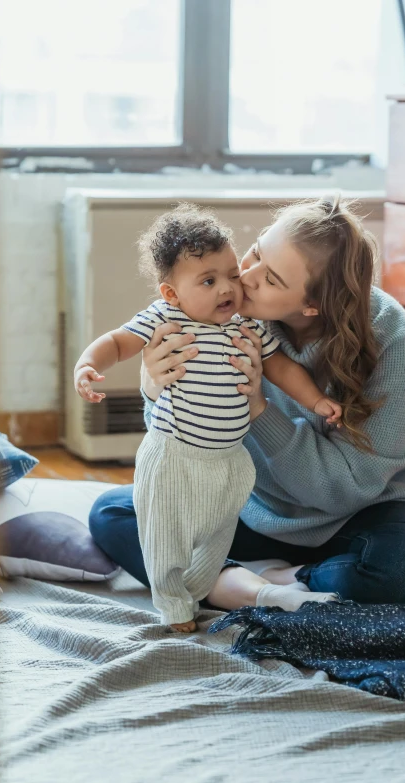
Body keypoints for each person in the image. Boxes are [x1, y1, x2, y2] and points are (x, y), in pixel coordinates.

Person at [89, 196, 405, 621]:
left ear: (311, 306)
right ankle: (264, 589)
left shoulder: (389, 335)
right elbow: (183, 447)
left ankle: (245, 583)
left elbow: (344, 490)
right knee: (112, 513)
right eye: (255, 253)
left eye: (269, 279)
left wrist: (259, 410)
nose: (241, 279)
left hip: (372, 511)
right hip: (255, 508)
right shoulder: (212, 312)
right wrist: (154, 389)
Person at [75, 204, 341, 632]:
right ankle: (174, 604)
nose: (227, 289)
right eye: (208, 280)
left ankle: (205, 584)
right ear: (171, 294)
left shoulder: (246, 328)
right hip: (174, 455)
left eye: (232, 274)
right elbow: (117, 342)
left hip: (229, 461)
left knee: (215, 534)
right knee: (165, 534)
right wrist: (87, 365)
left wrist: (316, 401)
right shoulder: (166, 318)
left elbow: (282, 369)